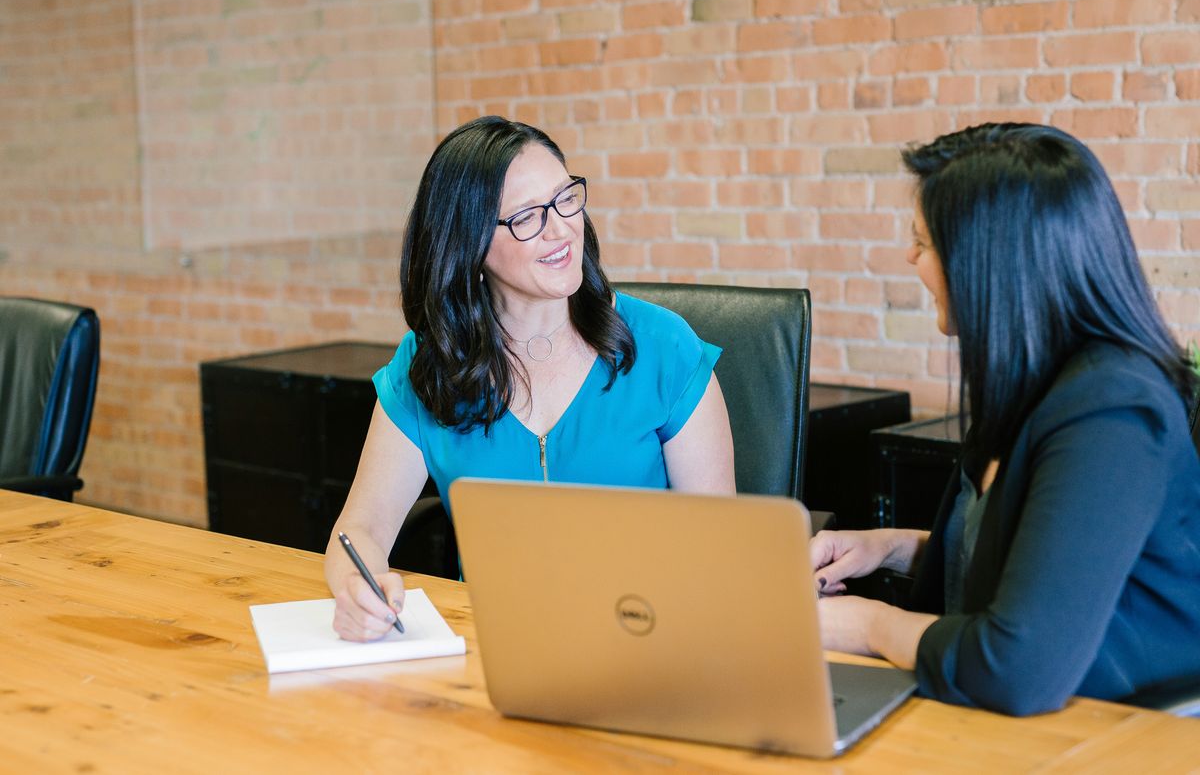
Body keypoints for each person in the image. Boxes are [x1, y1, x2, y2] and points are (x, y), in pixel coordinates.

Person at [811, 123, 1200, 715]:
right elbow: (1032, 559)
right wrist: (886, 547)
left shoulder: (1113, 412)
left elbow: (1015, 666)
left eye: (924, 241)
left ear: (987, 261)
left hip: (1124, 728)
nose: (909, 256)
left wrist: (867, 625)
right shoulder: (1033, 382)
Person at [326, 116, 735, 641]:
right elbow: (359, 529)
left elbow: (720, 545)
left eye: (566, 198)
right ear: (469, 245)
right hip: (495, 648)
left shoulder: (663, 347)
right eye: (526, 217)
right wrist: (356, 591)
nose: (562, 227)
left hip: (649, 639)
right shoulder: (430, 366)